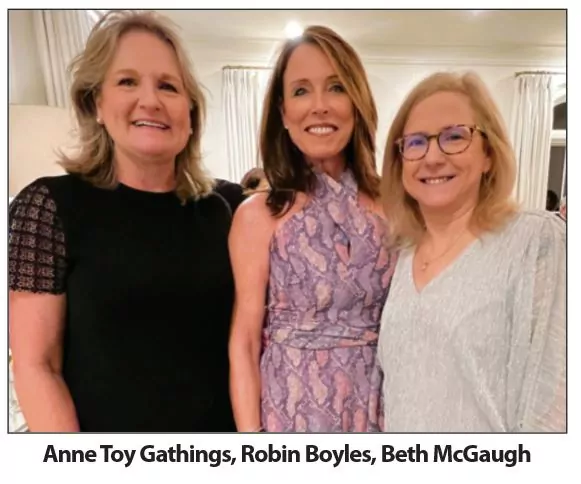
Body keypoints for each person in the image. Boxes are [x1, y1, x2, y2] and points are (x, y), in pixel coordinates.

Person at [8, 10, 236, 432]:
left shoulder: (230, 208)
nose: (150, 100)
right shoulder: (47, 207)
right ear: (96, 103)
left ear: (190, 115)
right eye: (127, 81)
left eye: (168, 86)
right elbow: (37, 366)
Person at [228, 25, 397, 432]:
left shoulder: (393, 206)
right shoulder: (258, 215)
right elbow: (244, 342)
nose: (319, 106)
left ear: (357, 102)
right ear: (283, 112)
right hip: (289, 413)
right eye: (301, 91)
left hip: (381, 408)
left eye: (336, 87)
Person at [378, 71, 566, 432]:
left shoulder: (534, 241)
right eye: (415, 142)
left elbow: (554, 408)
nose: (433, 157)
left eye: (454, 137)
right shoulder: (402, 254)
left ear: (489, 155)